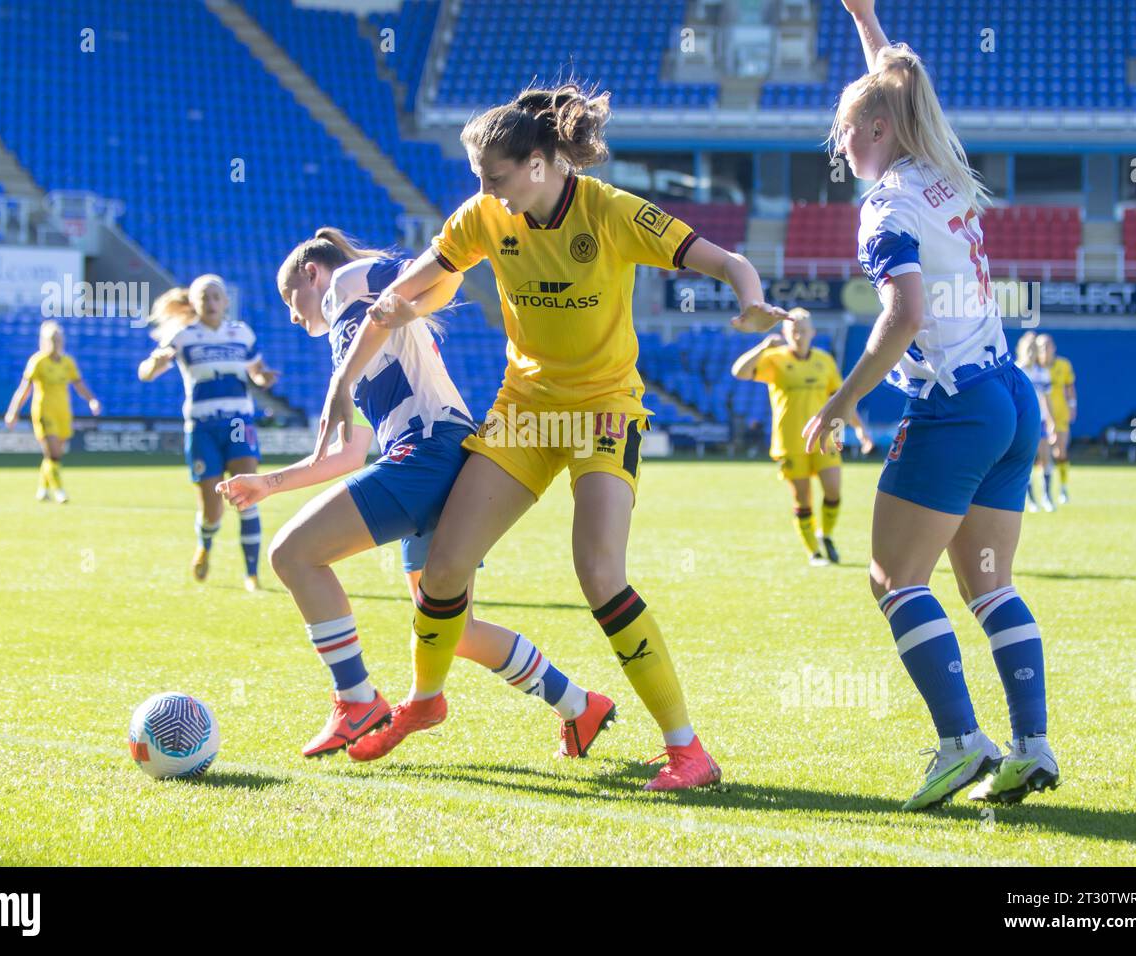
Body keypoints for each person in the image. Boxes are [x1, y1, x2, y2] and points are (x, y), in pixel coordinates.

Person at [314, 84, 786, 790]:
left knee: (599, 576)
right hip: (525, 412)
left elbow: (724, 260)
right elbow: (422, 277)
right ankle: (424, 700)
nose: (486, 192)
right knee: (443, 572)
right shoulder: (485, 216)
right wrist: (390, 305)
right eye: (480, 180)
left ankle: (688, 751)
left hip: (603, 411)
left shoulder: (613, 211)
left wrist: (751, 302)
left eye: (496, 178)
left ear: (539, 164)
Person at [217, 228, 616, 758]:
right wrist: (265, 485)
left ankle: (355, 699)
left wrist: (412, 301)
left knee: (293, 554)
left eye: (291, 299)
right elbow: (344, 457)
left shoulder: (348, 283)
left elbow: (444, 272)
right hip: (442, 456)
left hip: (426, 453)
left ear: (312, 273)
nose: (293, 316)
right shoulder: (352, 341)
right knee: (456, 628)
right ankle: (580, 707)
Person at [803, 0, 1059, 810]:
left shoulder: (886, 208)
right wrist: (866, 19)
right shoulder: (942, 169)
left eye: (843, 133)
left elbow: (904, 315)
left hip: (952, 403)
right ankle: (1033, 746)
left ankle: (960, 743)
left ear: (874, 128)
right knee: (989, 583)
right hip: (1009, 393)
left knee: (894, 580)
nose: (839, 149)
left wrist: (843, 402)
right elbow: (904, 91)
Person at [138, 275, 279, 591]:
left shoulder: (241, 333)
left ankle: (252, 574)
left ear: (226, 301)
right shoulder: (184, 336)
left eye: (217, 296)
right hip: (202, 427)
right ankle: (205, 543)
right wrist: (154, 363)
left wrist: (263, 378)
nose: (212, 302)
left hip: (239, 422)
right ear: (194, 303)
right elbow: (146, 374)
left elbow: (256, 371)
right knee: (212, 509)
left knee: (248, 495)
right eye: (205, 297)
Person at [731, 307, 873, 565]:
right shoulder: (775, 359)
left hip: (823, 440)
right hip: (789, 441)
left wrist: (861, 430)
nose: (799, 334)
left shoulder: (824, 361)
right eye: (793, 329)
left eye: (803, 330)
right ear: (785, 332)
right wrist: (763, 346)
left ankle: (825, 535)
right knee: (802, 498)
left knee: (833, 491)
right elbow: (739, 372)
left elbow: (841, 399)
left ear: (813, 333)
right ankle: (814, 553)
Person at [4, 319, 102, 503]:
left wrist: (92, 400)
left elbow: (78, 384)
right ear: (44, 341)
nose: (55, 343)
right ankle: (59, 491)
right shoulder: (38, 361)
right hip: (43, 411)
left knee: (54, 454)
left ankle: (42, 488)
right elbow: (25, 389)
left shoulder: (67, 362)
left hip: (63, 411)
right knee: (54, 453)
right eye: (51, 339)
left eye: (58, 339)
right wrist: (13, 411)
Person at [1016, 332, 1056, 512]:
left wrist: (1051, 420)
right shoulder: (1017, 370)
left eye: (1035, 349)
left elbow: (1047, 399)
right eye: (1029, 349)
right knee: (1027, 461)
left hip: (1039, 422)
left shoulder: (1043, 372)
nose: (1032, 353)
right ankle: (1030, 499)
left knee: (1046, 458)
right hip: (1023, 422)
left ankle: (1047, 496)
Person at [1037, 334, 1076, 503]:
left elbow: (1070, 388)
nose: (1046, 349)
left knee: (1061, 452)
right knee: (1041, 456)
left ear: (1054, 347)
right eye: (1042, 347)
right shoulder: (1034, 368)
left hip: (1060, 415)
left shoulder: (1064, 365)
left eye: (1048, 345)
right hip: (1040, 417)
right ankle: (1042, 492)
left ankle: (1063, 487)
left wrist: (1073, 406)